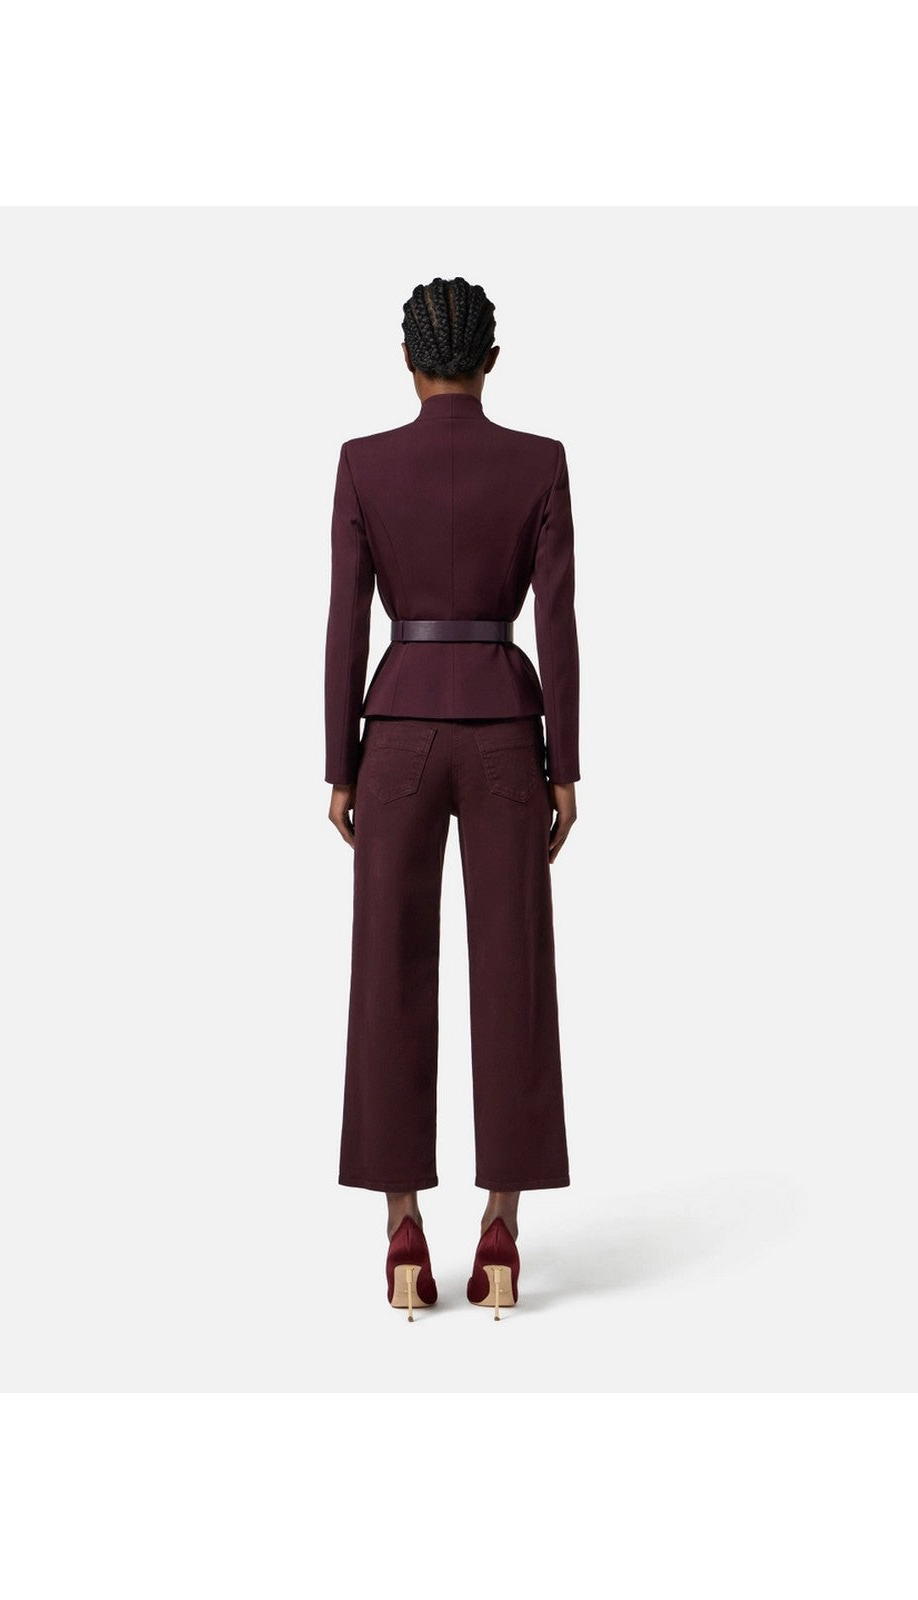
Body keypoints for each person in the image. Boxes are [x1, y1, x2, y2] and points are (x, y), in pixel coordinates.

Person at [323, 275, 580, 1320]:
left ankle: (402, 1232)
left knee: (388, 967)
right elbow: (557, 620)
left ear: (408, 361)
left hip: (396, 732)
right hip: (507, 730)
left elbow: (346, 616)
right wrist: (566, 764)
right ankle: (502, 1228)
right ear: (491, 361)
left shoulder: (363, 463)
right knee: (513, 972)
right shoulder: (540, 463)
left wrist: (338, 762)